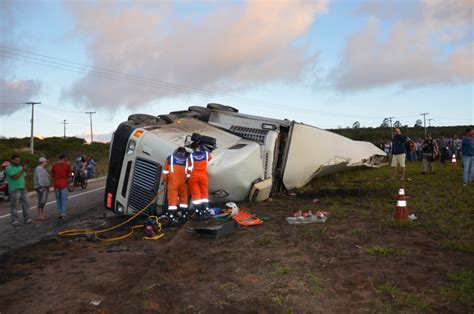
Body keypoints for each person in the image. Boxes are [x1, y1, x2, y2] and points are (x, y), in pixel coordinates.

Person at [162, 147, 189, 223]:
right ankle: (184, 216)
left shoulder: (170, 158)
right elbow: (189, 172)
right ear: (184, 152)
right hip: (183, 182)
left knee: (172, 201)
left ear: (177, 151)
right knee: (183, 200)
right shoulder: (186, 160)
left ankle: (172, 218)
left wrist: (165, 180)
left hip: (173, 182)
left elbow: (165, 172)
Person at [5, 155, 32, 226]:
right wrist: (23, 170)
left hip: (23, 189)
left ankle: (27, 219)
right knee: (14, 206)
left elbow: (25, 176)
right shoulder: (8, 168)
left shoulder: (20, 167)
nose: (18, 161)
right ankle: (15, 221)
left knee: (26, 204)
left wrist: (26, 170)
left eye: (19, 160)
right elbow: (15, 177)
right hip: (14, 189)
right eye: (16, 160)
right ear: (12, 160)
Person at [188, 142, 212, 218]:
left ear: (192, 148)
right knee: (204, 194)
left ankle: (198, 212)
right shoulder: (206, 153)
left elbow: (188, 168)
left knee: (196, 196)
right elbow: (210, 158)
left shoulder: (191, 156)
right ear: (199, 147)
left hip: (194, 177)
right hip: (203, 176)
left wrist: (187, 177)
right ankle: (206, 211)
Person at [51, 154, 72, 218]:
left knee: (58, 199)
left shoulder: (54, 165)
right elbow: (70, 175)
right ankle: (63, 213)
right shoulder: (67, 165)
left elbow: (52, 174)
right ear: (64, 158)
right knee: (64, 198)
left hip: (56, 184)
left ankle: (59, 212)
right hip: (63, 183)